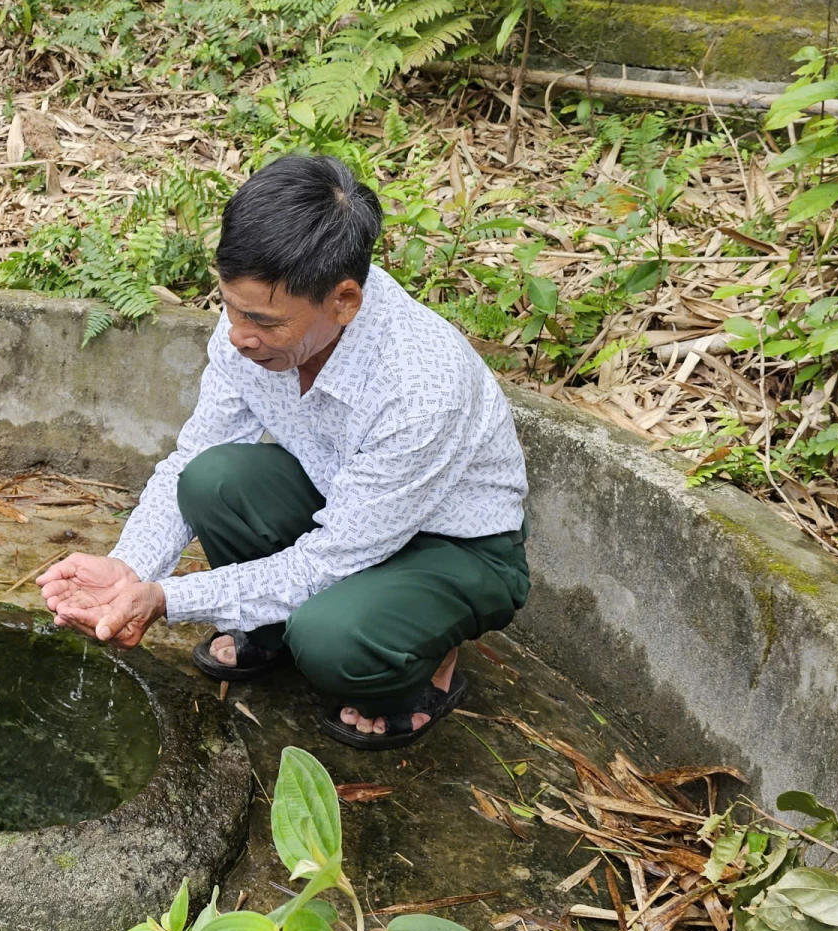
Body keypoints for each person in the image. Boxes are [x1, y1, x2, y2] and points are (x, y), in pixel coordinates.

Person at [38, 154, 530, 750]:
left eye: (264, 322)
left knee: (331, 638)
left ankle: (420, 666)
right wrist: (133, 568)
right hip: (346, 504)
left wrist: (167, 599)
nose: (239, 335)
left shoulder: (421, 387)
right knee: (210, 477)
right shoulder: (253, 330)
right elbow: (192, 454)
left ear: (343, 301)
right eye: (229, 306)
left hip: (457, 545)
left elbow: (325, 564)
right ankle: (269, 628)